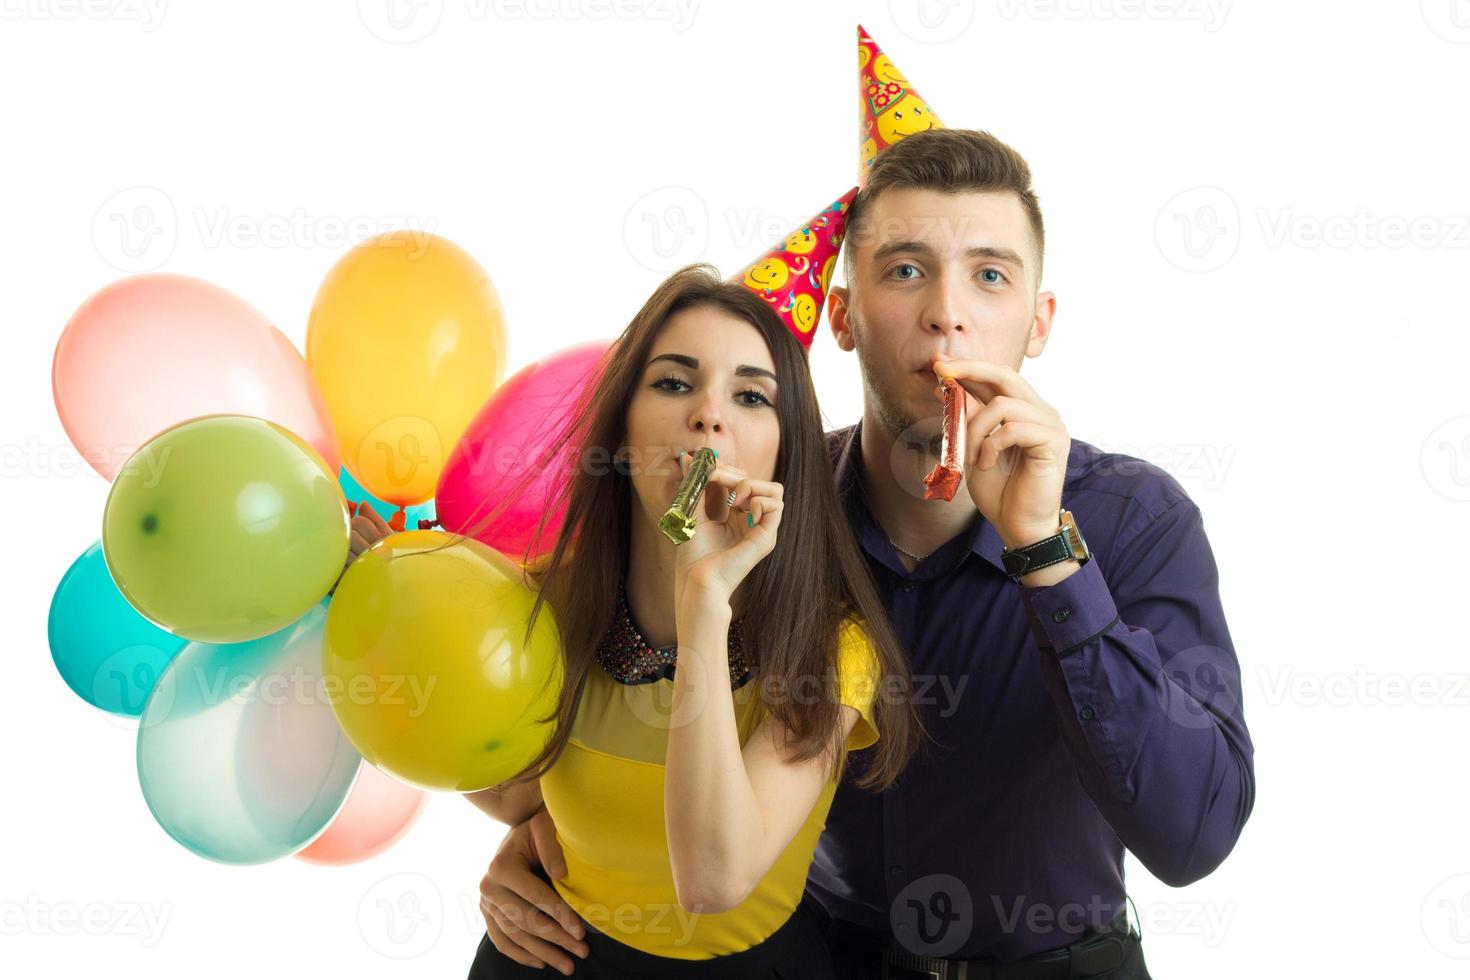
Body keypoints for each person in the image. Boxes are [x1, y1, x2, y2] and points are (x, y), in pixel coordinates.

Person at [479, 122, 1255, 979]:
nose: (945, 313)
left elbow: (1196, 837)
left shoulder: (1134, 520)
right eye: (906, 270)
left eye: (989, 276)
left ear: (1039, 324)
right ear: (843, 319)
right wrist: (541, 842)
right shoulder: (763, 508)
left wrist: (1041, 551)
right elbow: (652, 719)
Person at [343, 212, 924, 977]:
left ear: (784, 452)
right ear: (621, 434)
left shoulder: (829, 647)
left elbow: (715, 881)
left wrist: (705, 601)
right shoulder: (539, 600)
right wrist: (409, 615)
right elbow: (518, 797)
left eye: (751, 397)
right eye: (675, 382)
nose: (709, 412)